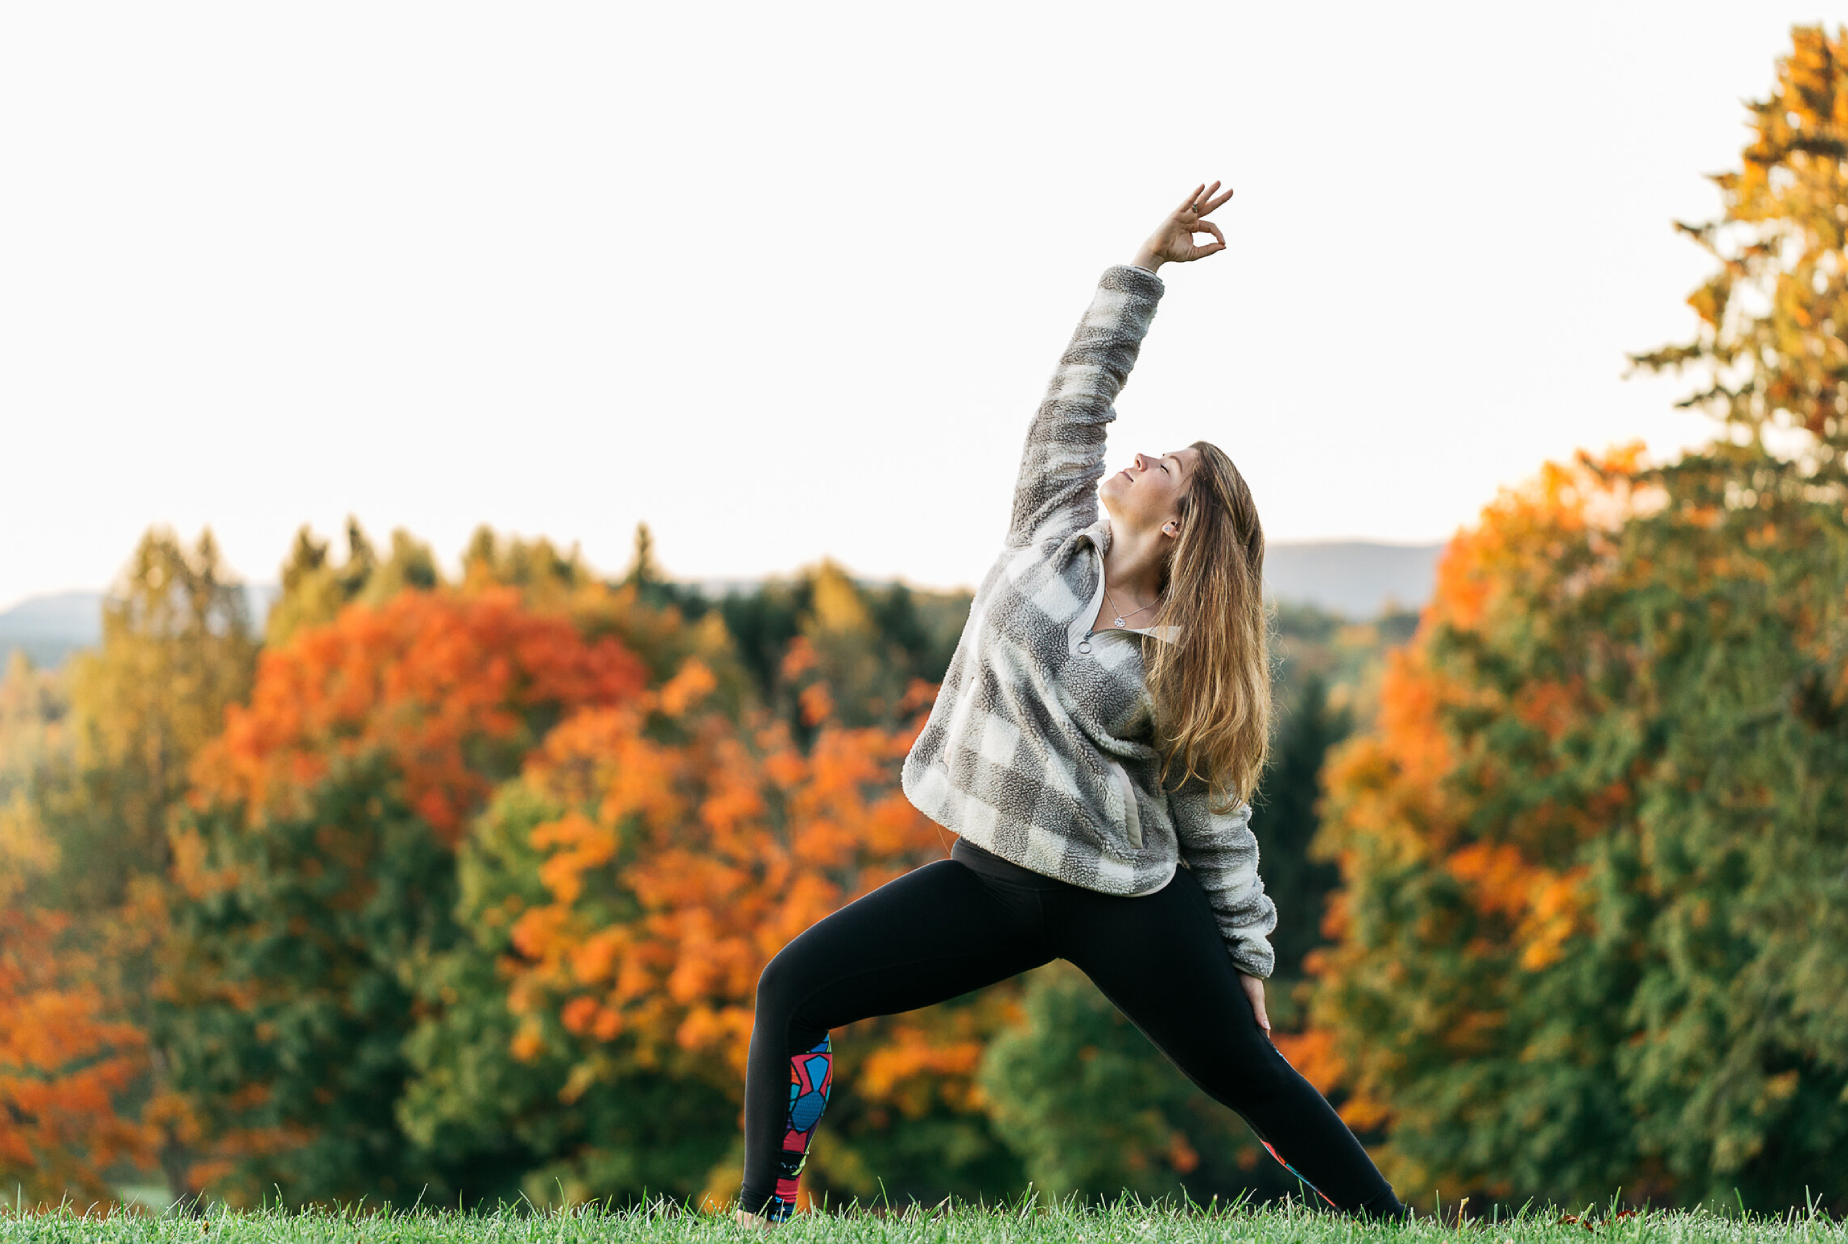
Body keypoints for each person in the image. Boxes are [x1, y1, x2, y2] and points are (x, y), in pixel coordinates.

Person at [733, 182, 1411, 1229]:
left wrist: (1246, 957)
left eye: (1163, 466)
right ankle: (762, 1215)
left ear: (1180, 525)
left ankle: (1394, 1226)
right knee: (793, 989)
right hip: (990, 881)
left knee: (1248, 1071)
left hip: (1125, 896)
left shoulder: (1187, 662)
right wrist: (1145, 265)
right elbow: (1079, 394)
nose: (1135, 457)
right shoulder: (1052, 526)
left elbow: (1214, 819)